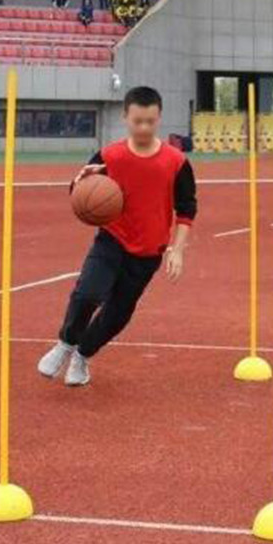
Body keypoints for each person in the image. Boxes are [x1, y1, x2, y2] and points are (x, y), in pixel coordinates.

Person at [36, 86, 197, 386]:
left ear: (159, 117)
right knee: (88, 293)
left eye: (150, 121)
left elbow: (187, 208)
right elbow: (80, 193)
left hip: (148, 253)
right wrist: (80, 181)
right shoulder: (110, 156)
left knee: (118, 313)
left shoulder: (176, 162)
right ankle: (65, 344)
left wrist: (177, 249)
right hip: (111, 240)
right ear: (126, 117)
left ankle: (83, 356)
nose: (144, 127)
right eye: (138, 121)